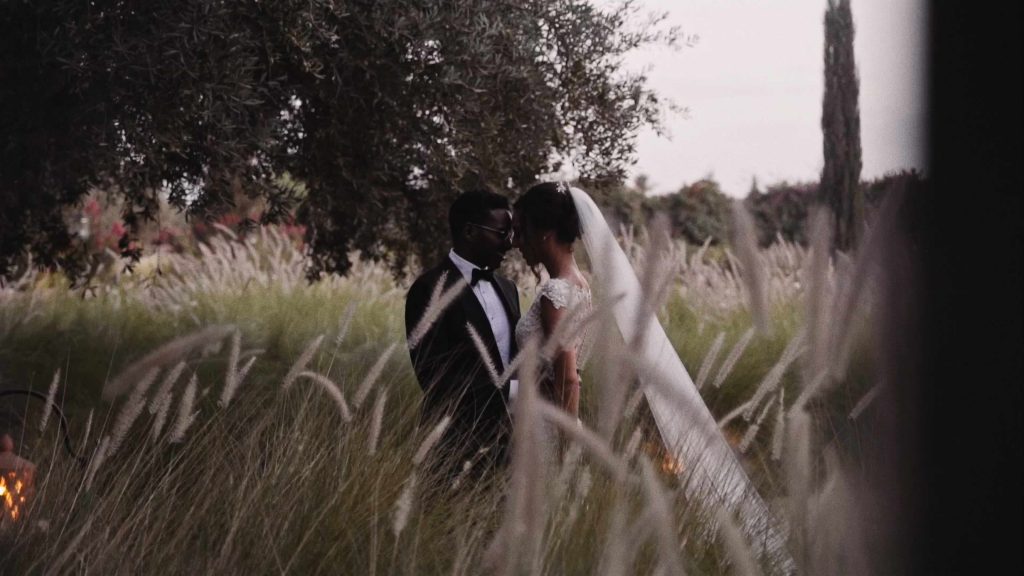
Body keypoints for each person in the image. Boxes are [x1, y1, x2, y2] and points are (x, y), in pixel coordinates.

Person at [404, 188, 521, 480]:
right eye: (501, 233)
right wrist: (515, 391)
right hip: (454, 445)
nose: (509, 243)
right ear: (469, 231)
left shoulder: (509, 289)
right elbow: (433, 377)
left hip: (510, 444)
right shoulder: (428, 290)